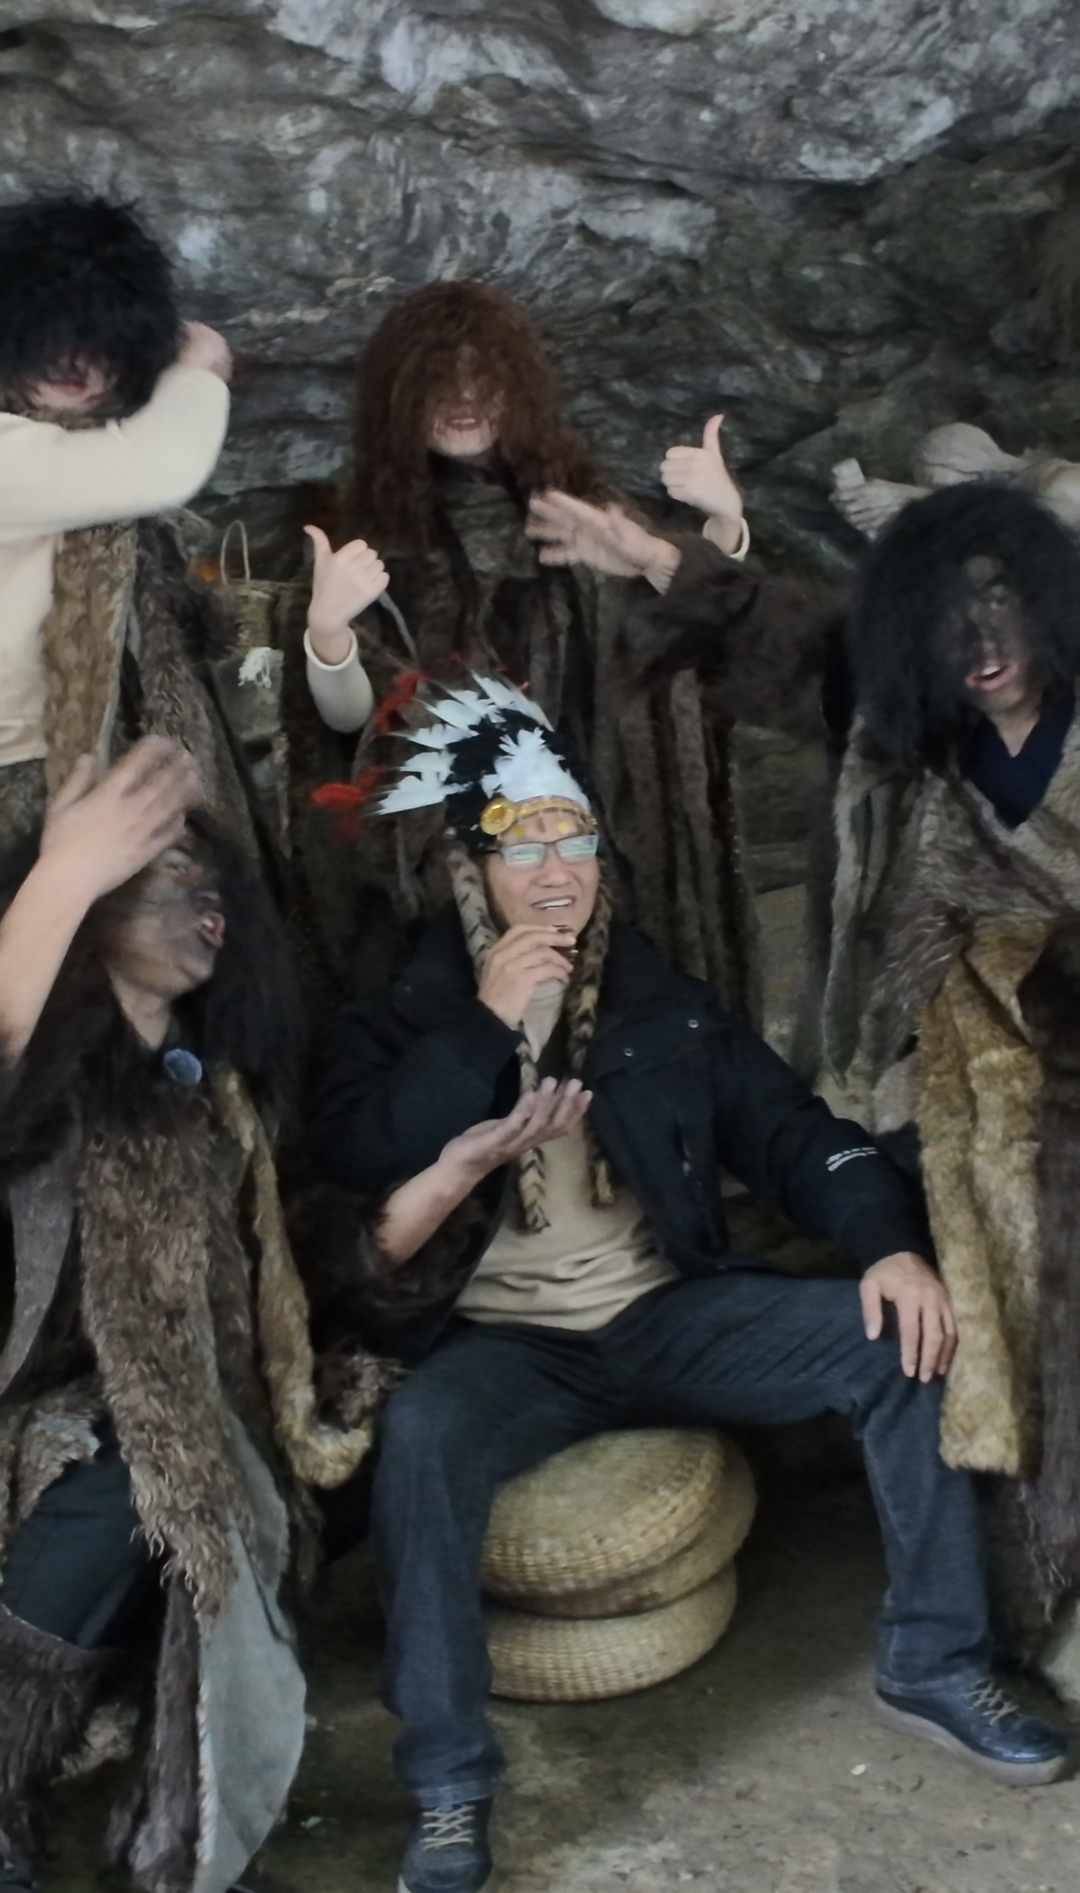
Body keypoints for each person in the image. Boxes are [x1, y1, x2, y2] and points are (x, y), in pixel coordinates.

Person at [306, 673, 1068, 1893]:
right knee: (424, 1439)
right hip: (499, 1349)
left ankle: (936, 1659)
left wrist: (889, 1244)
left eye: (576, 840)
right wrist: (484, 1028)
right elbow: (360, 1162)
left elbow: (794, 1136)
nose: (558, 872)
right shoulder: (392, 1019)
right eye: (522, 846)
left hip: (668, 1315)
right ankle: (448, 1783)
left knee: (902, 1342)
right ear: (469, 869)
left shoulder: (655, 1001)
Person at [0, 739, 380, 1893]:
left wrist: (432, 1202)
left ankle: (182, 1822)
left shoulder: (220, 1092)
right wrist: (62, 877)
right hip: (39, 1419)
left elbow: (294, 1254)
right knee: (143, 1462)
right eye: (164, 870)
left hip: (192, 1415)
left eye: (211, 883)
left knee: (251, 1451)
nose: (202, 898)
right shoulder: (53, 1073)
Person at [283, 279, 757, 1011]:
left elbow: (684, 633)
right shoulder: (370, 539)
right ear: (398, 396)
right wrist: (328, 634)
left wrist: (723, 525)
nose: (464, 399)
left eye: (487, 377)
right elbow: (352, 727)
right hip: (448, 853)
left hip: (593, 826)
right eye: (439, 380)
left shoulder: (582, 507)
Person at [0, 192, 245, 856]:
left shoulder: (89, 449)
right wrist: (200, 366)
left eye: (101, 343)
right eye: (50, 337)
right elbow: (158, 465)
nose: (75, 363)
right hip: (18, 772)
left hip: (91, 750)